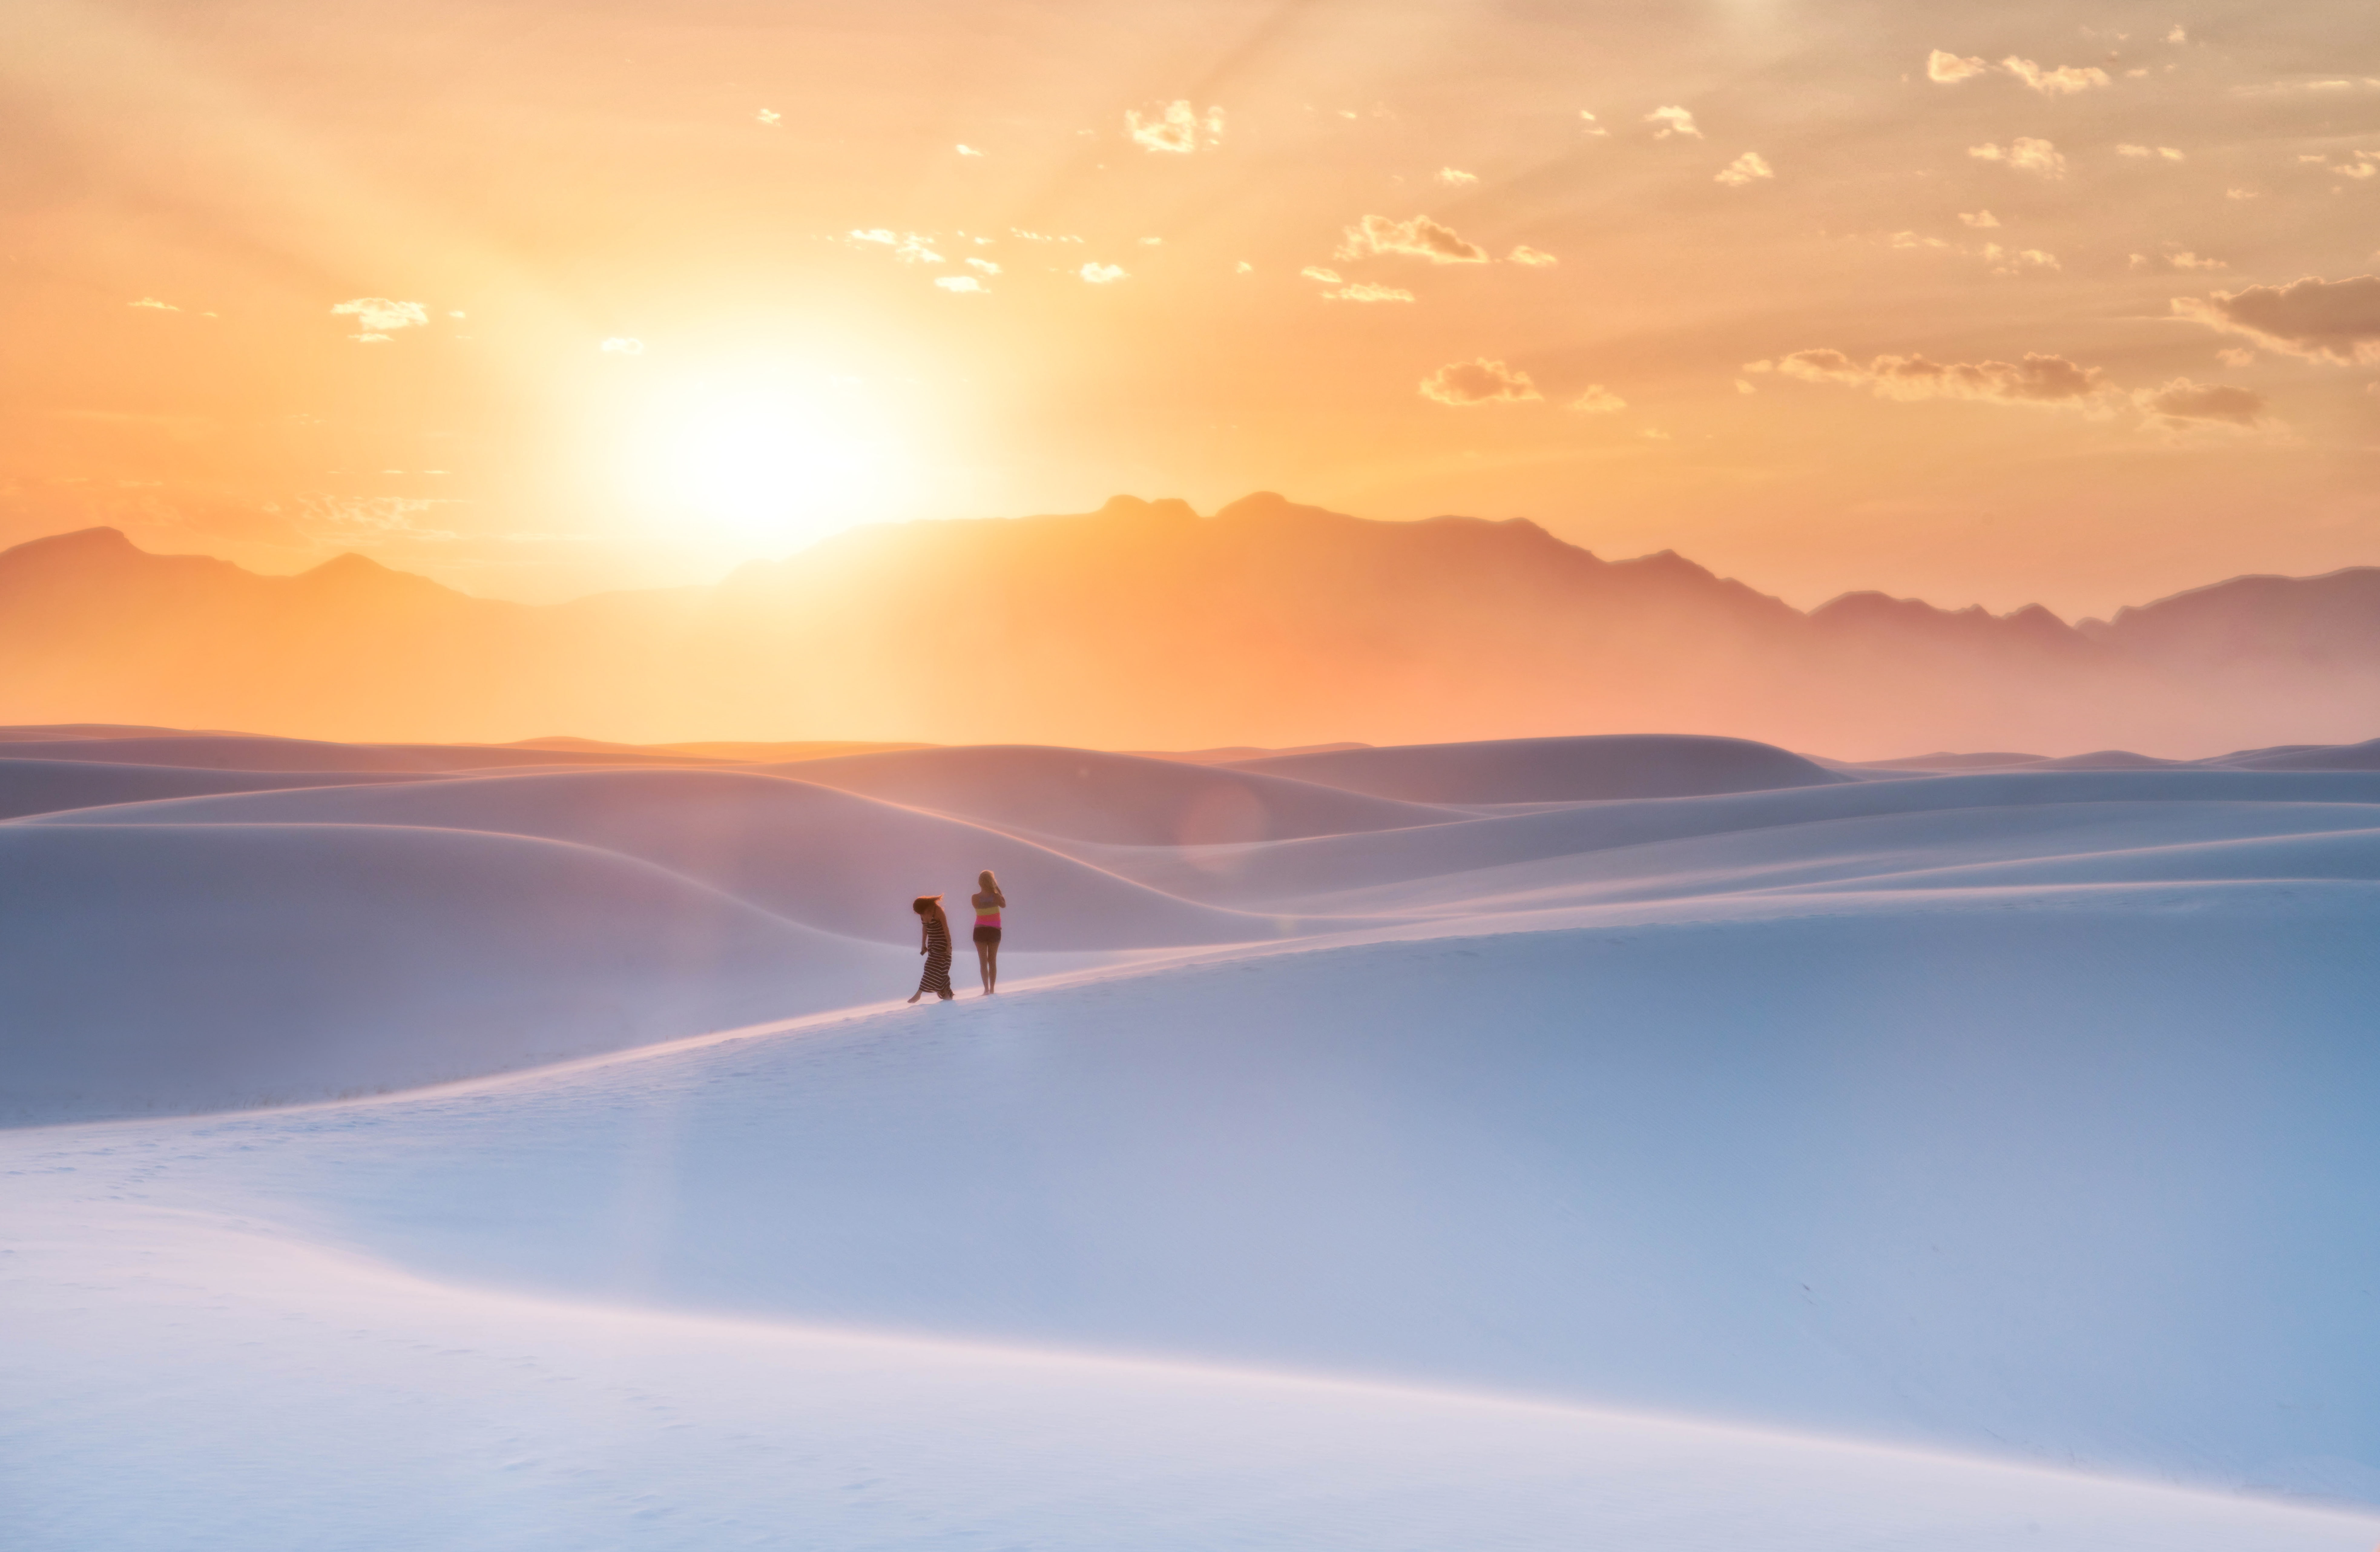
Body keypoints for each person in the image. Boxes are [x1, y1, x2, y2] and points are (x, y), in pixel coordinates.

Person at [907, 895, 954, 1003]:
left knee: (931, 967)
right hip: (933, 943)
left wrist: (948, 945)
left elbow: (946, 928)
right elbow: (925, 928)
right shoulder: (922, 914)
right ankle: (947, 995)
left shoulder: (937, 911)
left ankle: (919, 994)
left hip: (943, 943)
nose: (920, 915)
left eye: (921, 912)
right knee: (942, 970)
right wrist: (923, 944)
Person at [970, 870, 1006, 995]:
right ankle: (992, 989)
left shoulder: (975, 898)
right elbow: (1004, 905)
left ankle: (986, 989)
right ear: (992, 882)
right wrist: (997, 888)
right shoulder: (996, 897)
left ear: (980, 883)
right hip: (994, 930)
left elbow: (978, 907)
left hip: (980, 930)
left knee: (983, 961)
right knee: (992, 960)